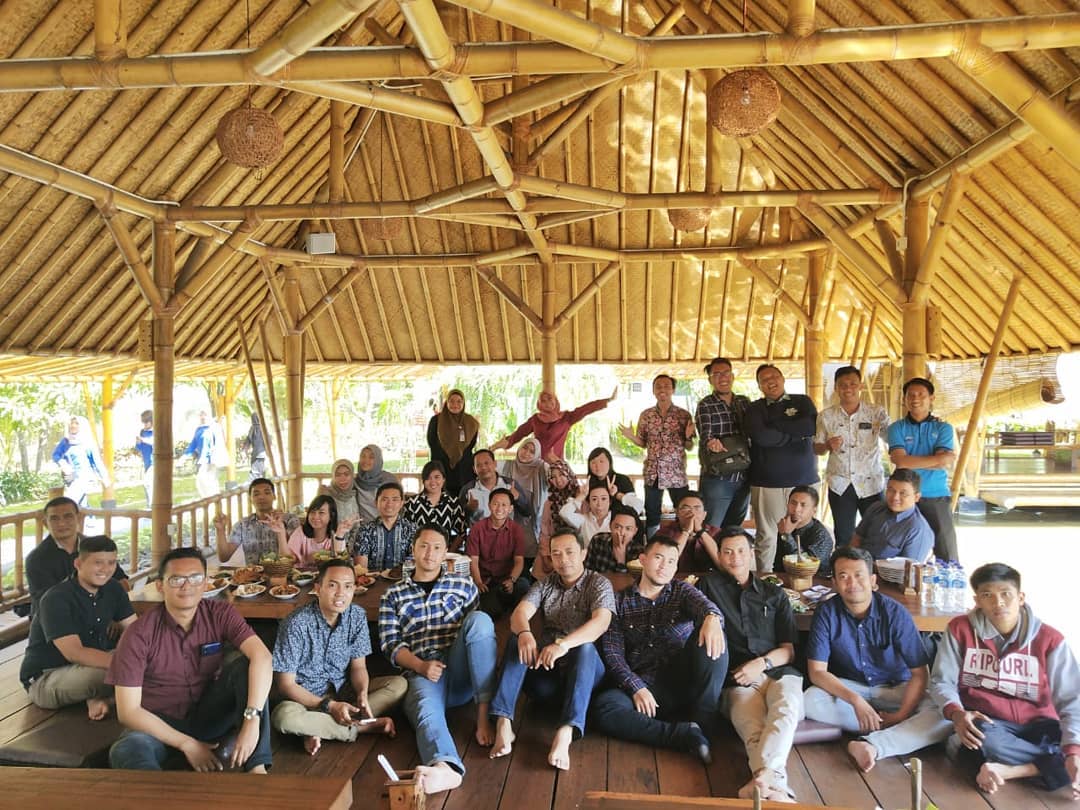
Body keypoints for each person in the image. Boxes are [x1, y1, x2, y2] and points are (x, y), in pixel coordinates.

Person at [107, 547, 273, 773]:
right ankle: (155, 799)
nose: (187, 586)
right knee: (127, 750)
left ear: (206, 583)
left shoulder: (220, 613)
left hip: (210, 715)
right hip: (159, 724)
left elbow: (262, 657)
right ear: (160, 586)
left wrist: (252, 720)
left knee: (246, 667)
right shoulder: (138, 634)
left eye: (195, 578)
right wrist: (187, 744)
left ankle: (257, 768)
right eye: (176, 579)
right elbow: (128, 711)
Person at [930, 563, 1080, 797]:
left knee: (1075, 744)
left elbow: (1072, 698)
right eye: (987, 595)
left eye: (1006, 594)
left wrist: (1073, 751)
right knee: (982, 738)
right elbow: (941, 680)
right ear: (977, 600)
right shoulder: (960, 629)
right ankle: (1051, 766)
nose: (998, 603)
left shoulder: (1050, 639)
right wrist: (957, 714)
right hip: (992, 723)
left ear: (1020, 598)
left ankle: (1012, 770)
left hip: (1043, 722)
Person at [803, 547, 951, 773]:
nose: (852, 582)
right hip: (852, 690)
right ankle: (896, 730)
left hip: (895, 691)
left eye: (859, 575)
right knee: (810, 700)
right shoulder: (827, 612)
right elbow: (817, 672)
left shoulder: (895, 613)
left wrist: (901, 714)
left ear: (873, 580)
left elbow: (920, 674)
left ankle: (873, 744)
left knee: (943, 715)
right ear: (834, 582)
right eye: (843, 576)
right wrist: (856, 701)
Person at [378, 524, 497, 794]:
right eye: (423, 546)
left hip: (459, 668)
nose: (429, 553)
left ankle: (482, 715)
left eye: (436, 548)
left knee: (480, 621)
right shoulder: (393, 594)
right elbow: (390, 644)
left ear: (446, 554)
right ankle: (446, 767)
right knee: (425, 711)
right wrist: (420, 665)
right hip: (421, 671)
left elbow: (479, 638)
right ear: (413, 550)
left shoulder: (463, 585)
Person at [591, 535, 728, 761]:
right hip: (645, 686)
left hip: (684, 680)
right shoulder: (618, 602)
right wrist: (636, 687)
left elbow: (705, 606)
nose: (665, 566)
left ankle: (703, 724)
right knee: (605, 708)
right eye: (658, 558)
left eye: (672, 561)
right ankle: (682, 735)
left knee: (714, 634)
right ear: (643, 560)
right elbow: (613, 654)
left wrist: (712, 617)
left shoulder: (681, 590)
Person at [490, 530, 615, 771]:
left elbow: (601, 622)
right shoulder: (547, 584)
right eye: (556, 554)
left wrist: (563, 645)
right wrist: (526, 633)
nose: (563, 559)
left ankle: (565, 732)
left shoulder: (598, 583)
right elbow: (519, 613)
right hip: (549, 677)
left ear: (584, 554)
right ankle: (504, 723)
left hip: (585, 676)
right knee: (518, 640)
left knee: (585, 648)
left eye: (569, 552)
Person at [697, 528, 804, 802]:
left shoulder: (773, 594)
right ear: (719, 555)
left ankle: (764, 781)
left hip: (778, 670)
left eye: (741, 551)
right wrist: (709, 616)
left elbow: (789, 651)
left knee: (786, 710)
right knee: (751, 726)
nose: (735, 558)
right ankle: (777, 789)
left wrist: (762, 662)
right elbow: (693, 610)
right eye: (728, 552)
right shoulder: (707, 587)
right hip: (738, 677)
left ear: (752, 554)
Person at [271, 559, 406, 755]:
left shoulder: (357, 616)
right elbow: (286, 685)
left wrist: (361, 694)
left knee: (399, 685)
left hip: (344, 691)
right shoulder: (295, 624)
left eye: (348, 586)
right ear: (318, 588)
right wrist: (329, 705)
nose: (341, 593)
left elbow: (359, 667)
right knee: (283, 718)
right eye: (333, 585)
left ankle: (316, 729)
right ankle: (359, 727)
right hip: (305, 700)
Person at [20, 535, 137, 720]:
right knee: (123, 673)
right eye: (98, 563)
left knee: (156, 658)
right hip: (49, 675)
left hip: (94, 662)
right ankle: (103, 696)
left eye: (111, 563)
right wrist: (130, 664)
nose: (106, 570)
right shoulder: (56, 598)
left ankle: (102, 699)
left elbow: (134, 631)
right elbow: (75, 653)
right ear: (78, 564)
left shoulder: (113, 589)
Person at [745, 364, 819, 573]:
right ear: (759, 385)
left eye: (775, 376)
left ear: (783, 378)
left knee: (804, 532)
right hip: (767, 482)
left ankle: (804, 578)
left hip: (804, 480)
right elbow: (761, 436)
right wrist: (793, 433)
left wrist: (775, 424)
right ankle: (765, 579)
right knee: (767, 535)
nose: (771, 381)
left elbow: (810, 426)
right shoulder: (755, 408)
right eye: (764, 379)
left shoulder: (802, 401)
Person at [813, 366, 889, 548]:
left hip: (871, 483)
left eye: (853, 384)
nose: (848, 388)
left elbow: (893, 438)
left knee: (875, 533)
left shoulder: (876, 413)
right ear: (836, 388)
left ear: (860, 386)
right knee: (844, 535)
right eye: (843, 385)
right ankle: (843, 573)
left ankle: (873, 573)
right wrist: (827, 446)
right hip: (840, 484)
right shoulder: (826, 416)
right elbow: (817, 449)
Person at [887, 377, 958, 562]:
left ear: (931, 398)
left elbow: (905, 461)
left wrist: (909, 461)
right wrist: (937, 459)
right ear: (904, 399)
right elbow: (900, 462)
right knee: (899, 548)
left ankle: (945, 586)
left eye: (921, 395)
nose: (915, 399)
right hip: (903, 496)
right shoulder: (896, 428)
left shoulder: (944, 428)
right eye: (910, 395)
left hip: (936, 494)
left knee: (946, 550)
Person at [26, 497, 129, 617]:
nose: (62, 523)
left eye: (68, 516)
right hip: (56, 620)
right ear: (45, 523)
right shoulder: (37, 559)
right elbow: (48, 602)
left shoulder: (95, 548)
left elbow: (122, 582)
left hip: (100, 613)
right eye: (54, 518)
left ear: (79, 518)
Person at [620, 374, 695, 535]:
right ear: (653, 391)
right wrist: (631, 436)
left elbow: (689, 447)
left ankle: (683, 545)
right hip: (653, 473)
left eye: (666, 386)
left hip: (676, 473)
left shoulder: (683, 415)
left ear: (673, 390)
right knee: (652, 513)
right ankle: (653, 547)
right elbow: (642, 442)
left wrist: (688, 436)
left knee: (683, 512)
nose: (662, 389)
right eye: (658, 386)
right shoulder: (646, 415)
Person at [694, 357, 751, 529]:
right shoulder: (705, 404)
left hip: (744, 475)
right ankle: (708, 556)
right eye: (716, 374)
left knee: (734, 528)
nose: (722, 377)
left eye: (726, 373)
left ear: (732, 376)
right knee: (712, 528)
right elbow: (705, 434)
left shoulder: (744, 402)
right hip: (718, 478)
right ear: (710, 380)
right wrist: (711, 442)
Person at [493, 387, 618, 459]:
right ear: (539, 404)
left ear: (556, 401)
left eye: (550, 399)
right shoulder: (535, 419)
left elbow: (585, 409)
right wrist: (499, 445)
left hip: (557, 464)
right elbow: (519, 434)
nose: (548, 403)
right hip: (536, 463)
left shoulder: (566, 418)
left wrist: (607, 400)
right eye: (544, 400)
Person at [466, 488, 528, 619]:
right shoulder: (477, 528)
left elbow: (519, 562)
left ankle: (511, 611)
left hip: (507, 580)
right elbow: (473, 560)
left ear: (510, 508)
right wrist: (478, 582)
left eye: (504, 505)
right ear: (489, 506)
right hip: (485, 582)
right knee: (488, 610)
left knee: (523, 585)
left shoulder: (516, 530)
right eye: (495, 504)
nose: (499, 508)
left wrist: (511, 580)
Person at [850, 469, 934, 562]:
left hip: (889, 575)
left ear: (916, 497)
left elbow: (910, 571)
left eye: (903, 493)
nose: (895, 497)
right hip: (860, 568)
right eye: (891, 490)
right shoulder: (876, 508)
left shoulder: (918, 530)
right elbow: (857, 539)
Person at [214, 478, 299, 566]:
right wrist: (220, 530)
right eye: (256, 494)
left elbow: (296, 556)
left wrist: (281, 530)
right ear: (250, 499)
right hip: (253, 576)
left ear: (274, 496)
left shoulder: (290, 520)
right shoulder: (243, 525)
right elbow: (224, 557)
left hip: (284, 574)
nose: (261, 497)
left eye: (267, 492)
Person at [346, 482, 418, 572]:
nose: (389, 504)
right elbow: (361, 569)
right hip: (373, 582)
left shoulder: (412, 529)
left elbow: (415, 562)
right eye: (384, 499)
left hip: (403, 582)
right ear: (376, 503)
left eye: (395, 499)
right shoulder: (365, 530)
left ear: (401, 503)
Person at [653, 491, 725, 573]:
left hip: (708, 581)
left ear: (704, 515)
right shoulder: (664, 532)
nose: (692, 513)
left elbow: (722, 566)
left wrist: (701, 532)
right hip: (674, 579)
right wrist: (686, 532)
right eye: (685, 508)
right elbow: (663, 563)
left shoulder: (716, 533)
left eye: (697, 508)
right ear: (677, 513)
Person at [460, 448, 532, 528]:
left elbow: (528, 511)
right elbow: (459, 520)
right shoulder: (468, 490)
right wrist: (469, 509)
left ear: (495, 464)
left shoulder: (509, 484)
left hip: (507, 536)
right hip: (480, 537)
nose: (483, 467)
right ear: (474, 470)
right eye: (479, 465)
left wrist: (518, 498)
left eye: (487, 463)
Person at [427, 388, 480, 497]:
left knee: (463, 502)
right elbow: (432, 442)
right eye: (451, 401)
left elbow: (471, 444)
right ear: (447, 402)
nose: (455, 404)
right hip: (442, 467)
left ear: (463, 403)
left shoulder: (471, 422)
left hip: (464, 470)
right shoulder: (436, 421)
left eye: (459, 401)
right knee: (442, 500)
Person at [500, 438, 547, 559]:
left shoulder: (541, 468)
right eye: (525, 448)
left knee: (528, 556)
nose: (526, 453)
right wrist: (494, 448)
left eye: (532, 451)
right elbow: (487, 465)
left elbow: (560, 474)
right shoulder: (508, 465)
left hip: (532, 523)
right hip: (510, 520)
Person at [534, 458, 580, 577]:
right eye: (553, 477)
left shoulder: (580, 498)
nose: (558, 480)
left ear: (568, 474)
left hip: (576, 551)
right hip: (553, 550)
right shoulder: (550, 502)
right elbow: (544, 530)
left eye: (561, 474)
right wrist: (545, 555)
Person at [52, 416, 110, 511]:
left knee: (71, 502)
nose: (73, 425)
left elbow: (96, 461)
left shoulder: (88, 443)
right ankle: (90, 522)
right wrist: (63, 463)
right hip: (70, 477)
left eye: (76, 423)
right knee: (82, 505)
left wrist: (104, 477)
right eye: (71, 423)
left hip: (83, 477)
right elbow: (55, 455)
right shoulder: (65, 442)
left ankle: (84, 523)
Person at [774, 486, 835, 575]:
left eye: (803, 505)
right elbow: (778, 563)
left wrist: (786, 536)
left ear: (814, 510)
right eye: (793, 503)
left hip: (816, 581)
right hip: (787, 578)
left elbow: (805, 565)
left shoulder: (822, 535)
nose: (796, 509)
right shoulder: (785, 525)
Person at [402, 460, 468, 543]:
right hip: (419, 553)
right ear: (423, 481)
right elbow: (406, 534)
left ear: (443, 479)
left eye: (437, 477)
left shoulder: (453, 502)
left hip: (446, 553)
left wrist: (448, 553)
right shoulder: (412, 503)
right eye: (428, 478)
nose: (433, 482)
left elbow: (461, 533)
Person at [284, 494, 350, 568]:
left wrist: (340, 535)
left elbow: (337, 562)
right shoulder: (300, 532)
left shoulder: (337, 535)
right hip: (302, 577)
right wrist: (280, 532)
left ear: (331, 515)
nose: (315, 517)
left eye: (321, 513)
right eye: (312, 512)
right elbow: (288, 559)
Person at [584, 507, 646, 574]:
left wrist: (621, 560)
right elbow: (587, 572)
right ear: (610, 526)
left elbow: (631, 582)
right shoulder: (597, 540)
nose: (622, 533)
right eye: (618, 527)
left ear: (635, 531)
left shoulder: (639, 552)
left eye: (628, 529)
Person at [586, 447, 642, 514]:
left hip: (619, 521)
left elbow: (638, 506)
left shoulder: (622, 480)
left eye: (601, 461)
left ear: (610, 462)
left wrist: (617, 494)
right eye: (593, 462)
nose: (597, 465)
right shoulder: (588, 484)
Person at [354, 444, 399, 523]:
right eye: (363, 456)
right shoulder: (356, 482)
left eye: (371, 457)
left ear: (378, 460)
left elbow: (398, 505)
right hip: (365, 529)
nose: (366, 460)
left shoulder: (389, 481)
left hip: (387, 525)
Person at [559, 483, 614, 548]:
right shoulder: (583, 519)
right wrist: (582, 495)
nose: (599, 504)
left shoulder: (616, 519)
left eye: (603, 499)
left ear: (610, 501)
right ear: (589, 503)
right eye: (594, 499)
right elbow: (564, 513)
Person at [320, 459, 365, 526]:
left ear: (352, 475)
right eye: (338, 475)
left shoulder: (355, 493)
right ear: (333, 476)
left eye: (346, 474)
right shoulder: (326, 495)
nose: (342, 478)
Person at [187, 410, 220, 499]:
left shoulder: (213, 428)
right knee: (201, 481)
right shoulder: (198, 429)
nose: (202, 417)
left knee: (208, 480)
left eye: (204, 415)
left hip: (211, 458)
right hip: (202, 458)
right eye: (201, 415)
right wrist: (185, 455)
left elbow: (219, 442)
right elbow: (193, 444)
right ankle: (209, 499)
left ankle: (214, 499)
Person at [135, 410, 154, 508]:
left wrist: (143, 440)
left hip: (154, 463)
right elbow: (139, 448)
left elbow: (154, 442)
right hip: (147, 463)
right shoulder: (142, 432)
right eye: (143, 422)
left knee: (147, 484)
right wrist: (138, 443)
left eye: (147, 422)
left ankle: (150, 506)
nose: (145, 424)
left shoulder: (155, 431)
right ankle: (151, 505)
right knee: (149, 485)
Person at [244, 413, 268, 481]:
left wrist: (245, 449)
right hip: (262, 453)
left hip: (255, 453)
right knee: (261, 472)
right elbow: (269, 441)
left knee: (255, 473)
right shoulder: (263, 428)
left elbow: (248, 440)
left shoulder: (252, 428)